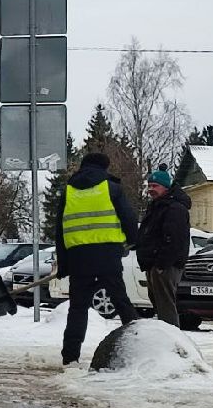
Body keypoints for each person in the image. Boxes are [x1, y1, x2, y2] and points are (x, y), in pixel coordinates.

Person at [54, 152, 139, 365]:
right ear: (104, 167)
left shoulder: (68, 191)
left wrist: (64, 264)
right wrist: (133, 241)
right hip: (108, 255)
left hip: (78, 258)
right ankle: (139, 345)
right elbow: (128, 218)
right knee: (121, 301)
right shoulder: (111, 188)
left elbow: (60, 230)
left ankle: (70, 357)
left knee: (78, 308)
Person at [136, 165, 191, 327]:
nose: (151, 189)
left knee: (166, 306)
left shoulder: (174, 208)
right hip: (156, 264)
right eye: (149, 186)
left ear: (166, 187)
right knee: (160, 304)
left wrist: (161, 264)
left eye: (155, 186)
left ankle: (172, 341)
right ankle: (166, 338)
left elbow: (174, 239)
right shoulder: (157, 206)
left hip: (166, 266)